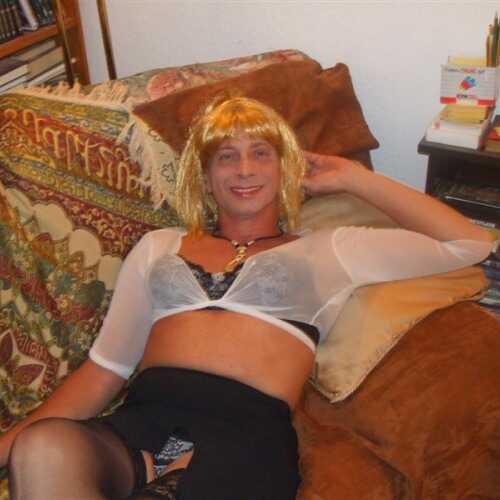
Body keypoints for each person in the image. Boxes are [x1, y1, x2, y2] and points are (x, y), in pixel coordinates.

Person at [0, 95, 493, 500]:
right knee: (44, 449)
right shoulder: (159, 246)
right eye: (226, 156)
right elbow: (105, 369)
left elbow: (470, 243)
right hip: (144, 424)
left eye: (261, 153)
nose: (243, 169)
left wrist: (352, 178)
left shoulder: (329, 249)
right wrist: (6, 445)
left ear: (285, 168)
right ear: (206, 177)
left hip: (244, 440)